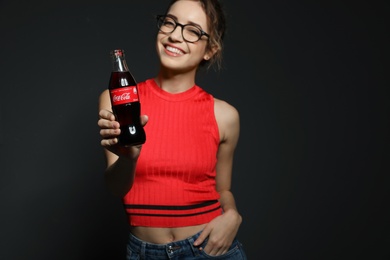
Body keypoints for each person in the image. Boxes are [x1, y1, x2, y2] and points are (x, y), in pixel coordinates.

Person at [98, 0, 247, 259]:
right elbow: (117, 188)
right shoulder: (120, 99)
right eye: (170, 22)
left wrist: (233, 215)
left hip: (208, 250)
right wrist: (129, 157)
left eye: (192, 30)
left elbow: (223, 189)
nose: (175, 35)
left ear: (210, 49)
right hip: (143, 252)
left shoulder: (225, 115)